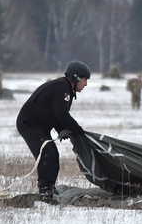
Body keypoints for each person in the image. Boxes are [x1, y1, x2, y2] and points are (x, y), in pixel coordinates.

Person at [15, 61, 90, 203]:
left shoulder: (64, 87)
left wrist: (61, 129)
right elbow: (61, 114)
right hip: (29, 124)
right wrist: (76, 129)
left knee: (53, 155)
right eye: (85, 79)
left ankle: (48, 189)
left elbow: (54, 113)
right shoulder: (63, 87)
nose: (86, 84)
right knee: (47, 154)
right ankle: (45, 193)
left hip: (40, 126)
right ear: (77, 78)